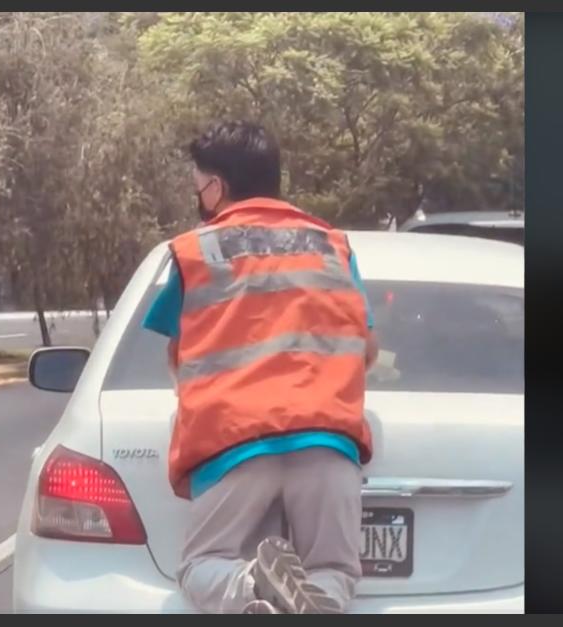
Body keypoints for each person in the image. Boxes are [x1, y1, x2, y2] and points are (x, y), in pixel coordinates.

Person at [142, 121, 378, 614]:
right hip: (327, 443)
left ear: (217, 187)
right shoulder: (333, 246)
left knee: (201, 563)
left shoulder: (194, 251)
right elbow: (367, 348)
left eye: (198, 185)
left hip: (234, 445)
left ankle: (253, 584)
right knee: (333, 572)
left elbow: (177, 354)